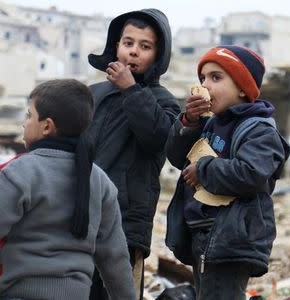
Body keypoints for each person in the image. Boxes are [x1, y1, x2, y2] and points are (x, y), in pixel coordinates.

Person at [0, 79, 136, 300]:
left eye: (29, 116)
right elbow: (115, 258)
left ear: (47, 126)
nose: (24, 124)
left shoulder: (21, 171)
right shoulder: (100, 181)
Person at [165, 45, 290, 300]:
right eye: (202, 78)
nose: (205, 86)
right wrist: (189, 123)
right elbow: (178, 158)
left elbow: (251, 173)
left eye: (216, 77)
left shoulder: (259, 130)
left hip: (232, 239)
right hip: (205, 237)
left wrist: (204, 169)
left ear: (243, 87)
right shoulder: (211, 123)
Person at [86, 8, 180, 300]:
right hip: (80, 217)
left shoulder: (165, 102)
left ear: (158, 55)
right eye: (128, 43)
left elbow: (157, 140)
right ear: (116, 46)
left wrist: (131, 91)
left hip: (124, 226)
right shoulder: (93, 95)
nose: (134, 52)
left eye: (145, 46)